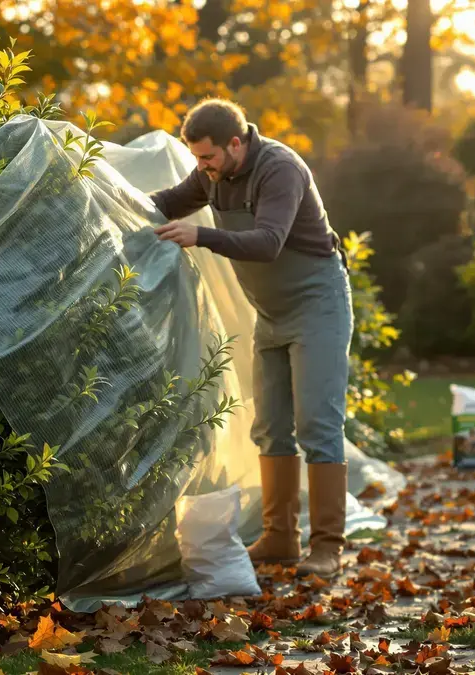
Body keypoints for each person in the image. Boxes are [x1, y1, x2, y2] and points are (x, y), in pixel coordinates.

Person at [148, 98, 353, 578]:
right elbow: (166, 202)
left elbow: (268, 242)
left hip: (317, 305)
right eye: (197, 159)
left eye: (208, 157)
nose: (202, 168)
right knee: (271, 424)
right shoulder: (213, 174)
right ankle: (280, 538)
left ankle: (327, 548)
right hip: (272, 314)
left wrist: (201, 236)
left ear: (235, 143)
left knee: (318, 424)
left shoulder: (280, 169)